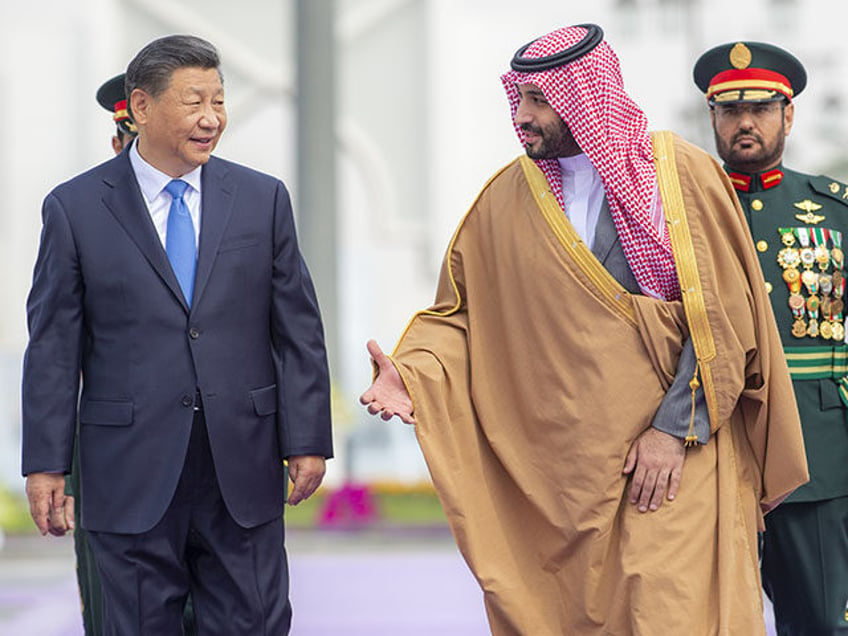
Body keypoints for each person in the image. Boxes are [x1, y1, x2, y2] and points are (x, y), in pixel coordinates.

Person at [360, 24, 808, 634]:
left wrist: (672, 431)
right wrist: (411, 375)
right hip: (566, 475)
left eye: (539, 100)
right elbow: (462, 317)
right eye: (517, 99)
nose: (522, 116)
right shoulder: (505, 199)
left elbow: (723, 320)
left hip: (676, 457)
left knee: (670, 612)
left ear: (583, 96)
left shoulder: (678, 177)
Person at [22, 34, 333, 635]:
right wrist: (45, 464)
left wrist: (308, 437)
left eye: (219, 100)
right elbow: (54, 349)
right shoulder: (75, 207)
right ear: (140, 107)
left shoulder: (262, 199)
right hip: (127, 472)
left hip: (240, 466)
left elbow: (298, 329)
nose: (212, 118)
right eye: (194, 102)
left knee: (255, 623)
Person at [695, 40, 848, 634]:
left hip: (818, 455)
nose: (745, 123)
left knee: (821, 621)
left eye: (760, 108)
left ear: (788, 115)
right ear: (713, 117)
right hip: (711, 443)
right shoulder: (684, 211)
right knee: (704, 618)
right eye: (730, 111)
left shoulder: (833, 211)